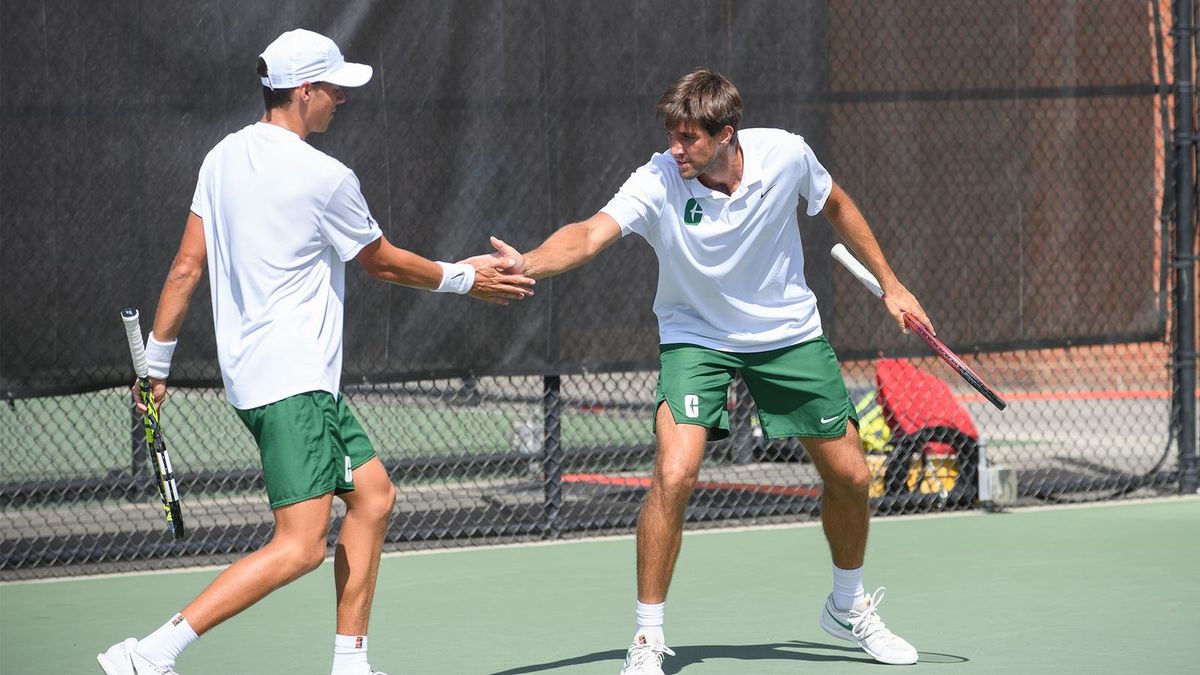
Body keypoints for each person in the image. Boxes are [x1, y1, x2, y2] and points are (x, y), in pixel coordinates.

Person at [97, 29, 534, 675]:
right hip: (292, 385)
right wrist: (466, 277)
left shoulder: (220, 158)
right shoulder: (325, 177)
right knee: (300, 546)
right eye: (332, 89)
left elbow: (187, 267)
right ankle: (150, 653)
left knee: (374, 496)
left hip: (270, 382)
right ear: (303, 91)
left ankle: (350, 664)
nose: (340, 100)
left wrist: (156, 366)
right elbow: (380, 262)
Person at [467, 68, 930, 673]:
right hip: (697, 338)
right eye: (671, 135)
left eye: (687, 138)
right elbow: (587, 235)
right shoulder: (658, 180)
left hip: (785, 334)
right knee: (674, 473)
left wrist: (891, 286)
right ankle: (647, 638)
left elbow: (836, 204)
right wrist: (527, 261)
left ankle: (847, 607)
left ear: (726, 135)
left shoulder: (786, 155)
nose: (674, 149)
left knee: (849, 475)